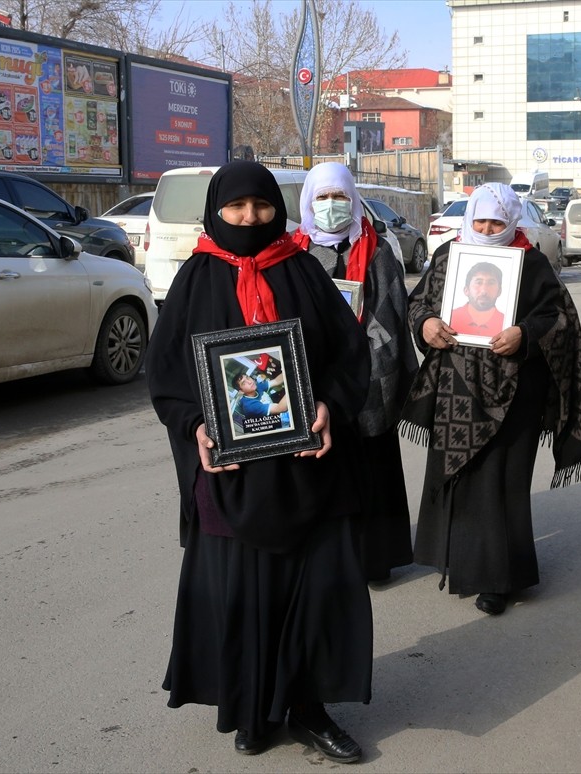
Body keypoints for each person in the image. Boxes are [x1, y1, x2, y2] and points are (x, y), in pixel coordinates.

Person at [147, 161, 373, 763]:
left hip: (307, 467)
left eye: (263, 207)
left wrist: (327, 404)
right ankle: (251, 710)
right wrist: (195, 425)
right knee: (242, 593)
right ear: (216, 210)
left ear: (279, 207)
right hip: (232, 473)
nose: (250, 219)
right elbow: (166, 375)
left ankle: (311, 708)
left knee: (313, 592)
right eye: (237, 208)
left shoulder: (301, 270)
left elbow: (350, 357)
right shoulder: (196, 279)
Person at [400, 182, 581, 616]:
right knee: (462, 476)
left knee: (500, 484)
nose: (487, 229)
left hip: (514, 394)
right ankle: (457, 558)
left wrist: (524, 335)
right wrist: (426, 325)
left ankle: (498, 579)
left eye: (497, 222)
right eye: (481, 220)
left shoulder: (533, 263)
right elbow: (419, 302)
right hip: (456, 390)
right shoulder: (449, 255)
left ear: (512, 222)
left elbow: (559, 319)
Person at [290, 161, 418, 583]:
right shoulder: (294, 252)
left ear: (354, 199)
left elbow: (393, 313)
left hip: (369, 377)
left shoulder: (377, 250)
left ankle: (374, 558)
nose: (331, 205)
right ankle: (326, 558)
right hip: (313, 377)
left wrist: (368, 357)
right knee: (321, 468)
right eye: (322, 197)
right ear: (309, 201)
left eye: (340, 196)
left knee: (371, 467)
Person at [448, 261, 506, 336]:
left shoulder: (507, 325)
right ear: (466, 290)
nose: (484, 291)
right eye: (478, 282)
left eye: (491, 283)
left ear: (499, 291)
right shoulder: (449, 317)